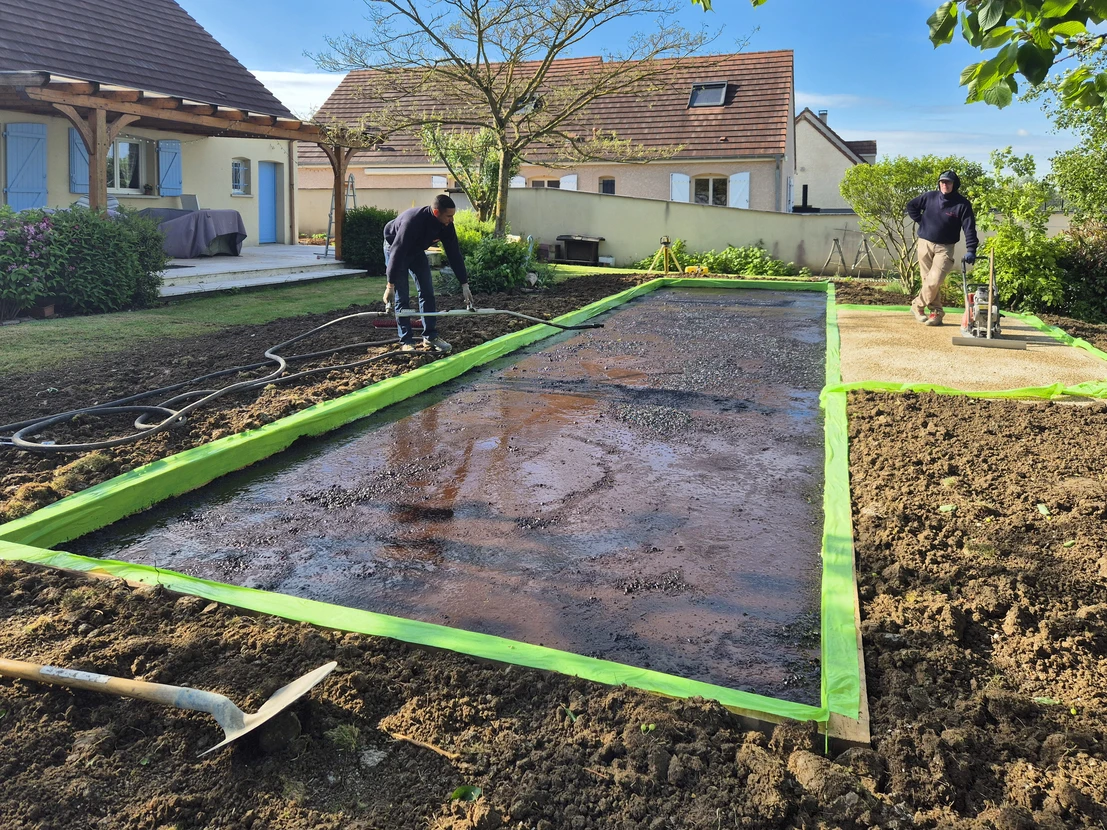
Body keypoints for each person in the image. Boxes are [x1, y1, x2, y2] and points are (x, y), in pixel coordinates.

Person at [382, 194, 474, 353]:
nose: (452, 220)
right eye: (449, 216)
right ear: (437, 212)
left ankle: (430, 337)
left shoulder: (446, 226)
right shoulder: (412, 222)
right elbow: (397, 252)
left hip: (417, 251)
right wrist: (390, 285)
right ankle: (406, 340)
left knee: (427, 292)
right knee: (402, 296)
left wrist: (464, 284)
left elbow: (454, 254)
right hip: (395, 248)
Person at [905, 170, 978, 326]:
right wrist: (922, 221)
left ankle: (917, 305)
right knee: (928, 281)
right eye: (942, 182)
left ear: (954, 185)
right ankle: (936, 313)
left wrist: (971, 249)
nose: (945, 185)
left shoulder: (962, 204)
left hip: (945, 248)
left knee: (935, 280)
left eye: (948, 182)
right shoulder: (929, 196)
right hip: (925, 243)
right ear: (939, 183)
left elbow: (969, 228)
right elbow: (911, 206)